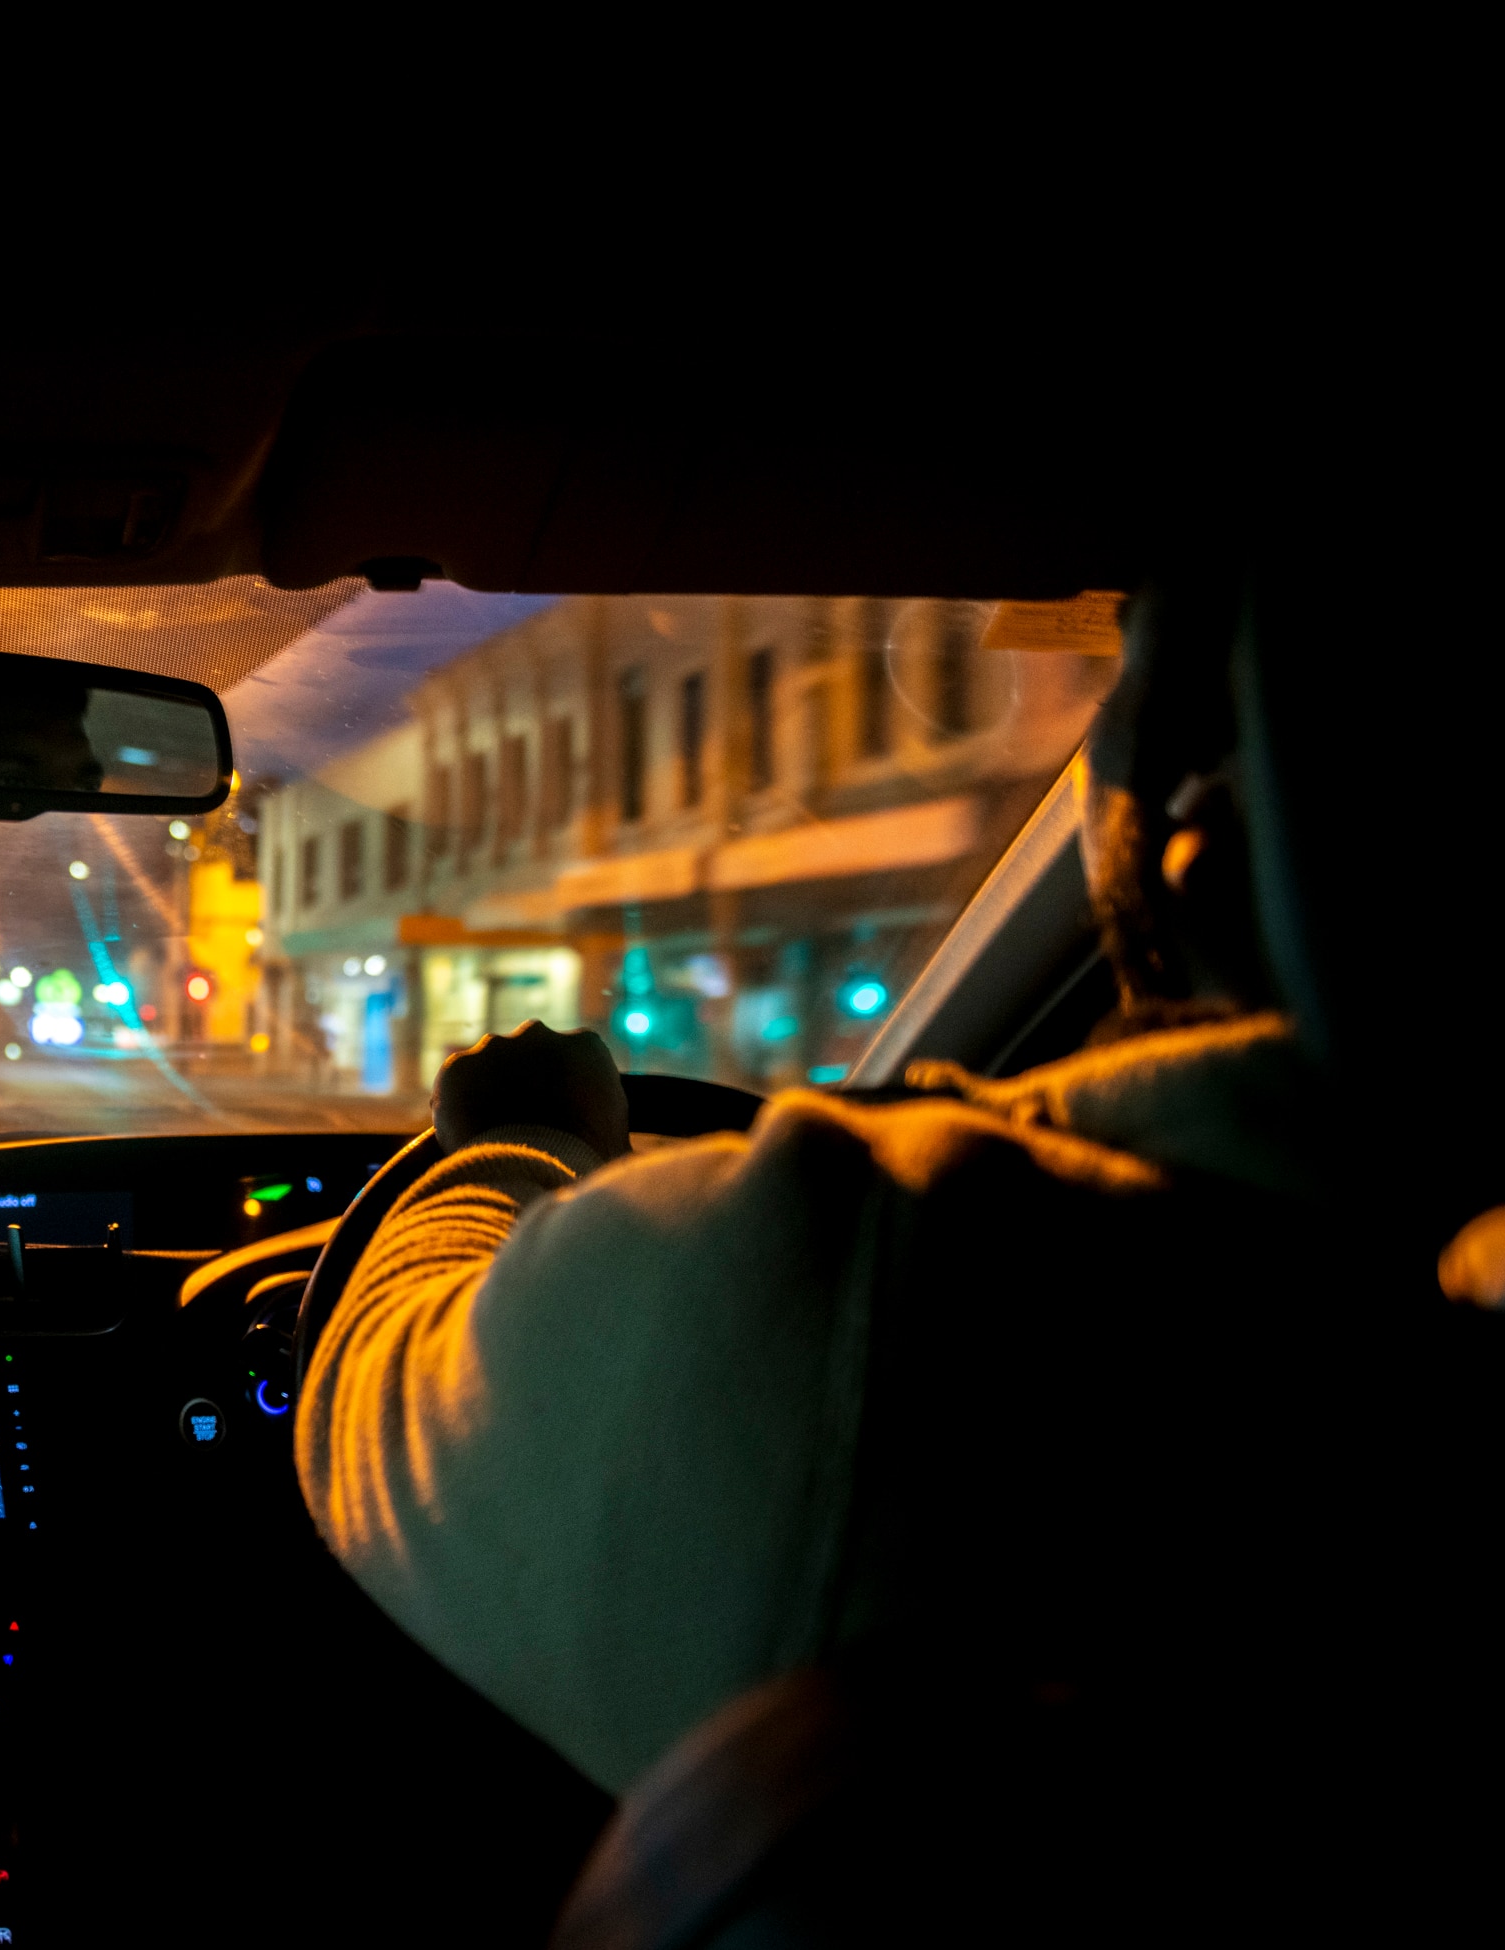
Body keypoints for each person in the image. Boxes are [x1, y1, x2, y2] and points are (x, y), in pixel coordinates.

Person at [295, 586, 1495, 1930]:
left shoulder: (891, 1283)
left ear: (1201, 827)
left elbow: (387, 1382)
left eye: (1119, 668)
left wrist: (517, 1135)